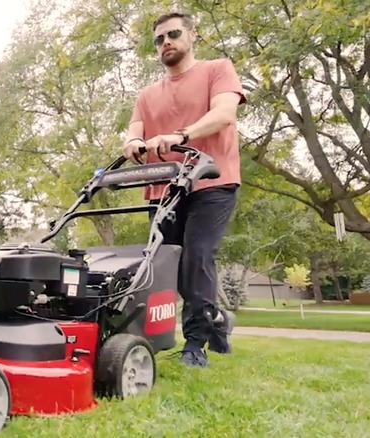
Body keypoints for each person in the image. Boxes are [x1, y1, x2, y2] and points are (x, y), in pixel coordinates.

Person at [122, 11, 246, 368]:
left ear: (193, 35)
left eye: (173, 34)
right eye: (159, 39)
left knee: (197, 257)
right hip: (164, 188)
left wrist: (180, 136)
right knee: (165, 267)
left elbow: (224, 114)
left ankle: (195, 345)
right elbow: (135, 128)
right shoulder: (147, 94)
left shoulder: (217, 69)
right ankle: (217, 320)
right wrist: (132, 143)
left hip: (212, 181)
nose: (166, 43)